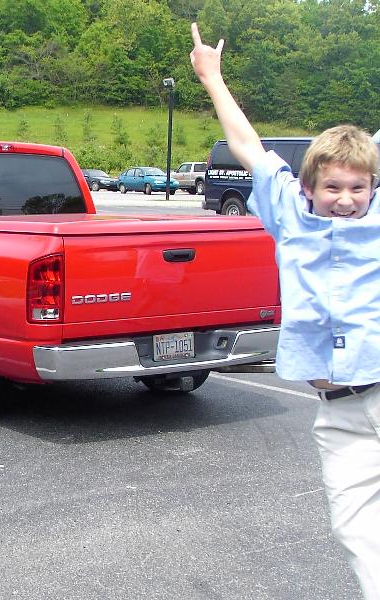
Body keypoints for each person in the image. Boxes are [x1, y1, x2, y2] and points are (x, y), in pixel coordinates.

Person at [189, 22, 380, 599]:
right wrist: (212, 78)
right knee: (354, 530)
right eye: (334, 187)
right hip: (338, 413)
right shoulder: (288, 213)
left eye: (358, 188)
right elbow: (247, 145)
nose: (346, 199)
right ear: (308, 186)